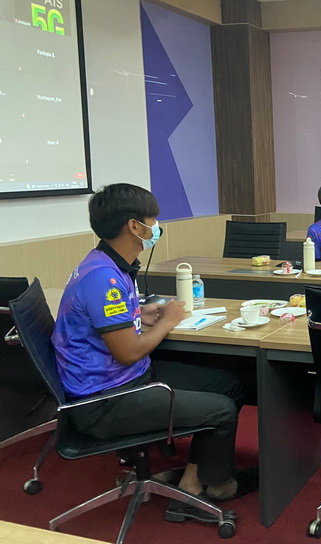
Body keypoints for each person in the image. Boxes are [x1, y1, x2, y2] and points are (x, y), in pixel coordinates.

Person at [52, 183, 254, 525]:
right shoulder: (103, 279)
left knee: (229, 385)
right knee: (221, 410)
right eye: (152, 220)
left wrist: (138, 314)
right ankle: (214, 488)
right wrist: (169, 320)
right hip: (106, 400)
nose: (156, 226)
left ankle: (192, 478)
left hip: (126, 378)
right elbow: (128, 351)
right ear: (134, 226)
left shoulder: (105, 263)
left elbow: (109, 324)